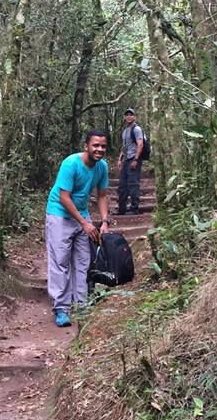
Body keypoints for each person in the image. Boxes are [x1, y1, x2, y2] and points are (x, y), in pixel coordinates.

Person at [45, 131, 110, 327]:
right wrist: (84, 223)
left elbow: (102, 195)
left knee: (83, 261)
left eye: (103, 146)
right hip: (59, 214)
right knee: (60, 262)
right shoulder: (71, 164)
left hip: (82, 214)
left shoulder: (102, 166)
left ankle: (81, 305)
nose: (99, 149)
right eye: (95, 145)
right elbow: (64, 197)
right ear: (86, 146)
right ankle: (61, 308)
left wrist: (104, 221)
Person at [117, 108, 145, 215]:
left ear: (134, 117)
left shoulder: (136, 129)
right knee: (122, 185)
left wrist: (136, 159)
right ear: (124, 117)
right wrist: (120, 159)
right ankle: (122, 209)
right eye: (127, 114)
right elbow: (124, 147)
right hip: (126, 160)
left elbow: (140, 144)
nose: (129, 116)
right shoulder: (125, 131)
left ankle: (134, 209)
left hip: (133, 159)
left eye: (131, 114)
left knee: (133, 184)